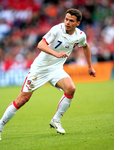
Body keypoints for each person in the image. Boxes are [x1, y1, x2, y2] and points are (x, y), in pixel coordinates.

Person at [0, 8, 96, 140]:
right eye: (66, 19)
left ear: (77, 23)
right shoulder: (56, 29)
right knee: (22, 99)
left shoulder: (80, 35)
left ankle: (56, 120)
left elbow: (85, 46)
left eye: (71, 21)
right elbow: (40, 44)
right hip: (39, 69)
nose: (67, 22)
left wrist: (90, 66)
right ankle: (0, 126)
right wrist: (56, 54)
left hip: (56, 69)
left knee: (71, 88)